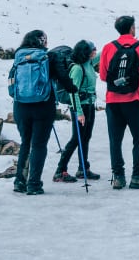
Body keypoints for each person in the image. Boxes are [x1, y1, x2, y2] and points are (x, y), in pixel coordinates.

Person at [13, 29, 77, 195]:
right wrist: (72, 88)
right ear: (43, 42)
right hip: (43, 106)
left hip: (20, 106)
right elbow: (63, 78)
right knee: (39, 144)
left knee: (25, 142)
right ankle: (34, 184)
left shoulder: (19, 56)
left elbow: (12, 82)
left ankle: (20, 181)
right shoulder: (49, 57)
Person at [99, 15, 139, 190]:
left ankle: (118, 177)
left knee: (115, 140)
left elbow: (103, 76)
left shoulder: (108, 47)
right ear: (132, 28)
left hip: (113, 101)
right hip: (135, 100)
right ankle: (138, 176)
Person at [53, 40, 101, 183]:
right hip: (80, 107)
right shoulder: (78, 69)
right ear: (86, 52)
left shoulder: (89, 63)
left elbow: (101, 55)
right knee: (76, 138)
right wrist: (79, 112)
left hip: (89, 105)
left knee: (85, 137)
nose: (95, 51)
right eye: (93, 49)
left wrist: (119, 43)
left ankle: (83, 168)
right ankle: (60, 171)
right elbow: (73, 93)